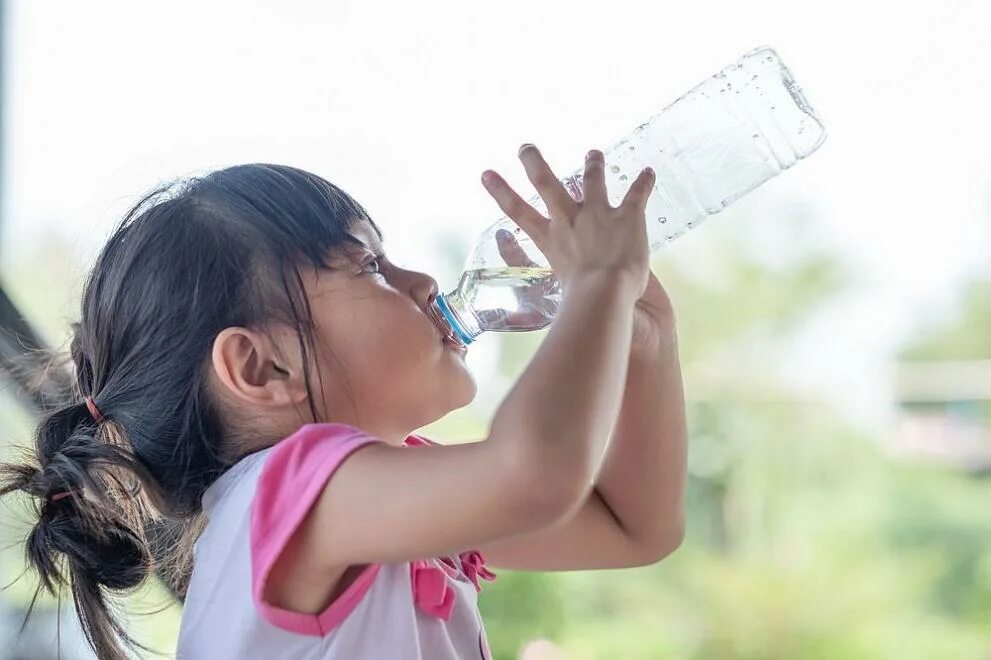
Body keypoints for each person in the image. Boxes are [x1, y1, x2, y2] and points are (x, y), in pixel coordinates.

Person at [0, 145, 687, 659]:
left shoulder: (348, 500)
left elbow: (633, 527)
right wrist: (595, 285)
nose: (420, 281)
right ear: (262, 367)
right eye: (368, 267)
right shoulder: (291, 490)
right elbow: (535, 473)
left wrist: (647, 342)